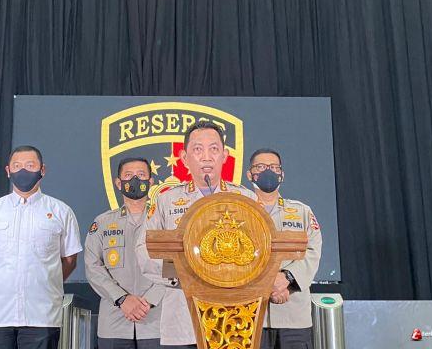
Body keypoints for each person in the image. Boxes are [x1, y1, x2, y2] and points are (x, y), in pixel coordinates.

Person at [136, 121, 256, 348]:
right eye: (198, 149)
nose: (206, 157)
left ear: (225, 156)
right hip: (183, 314)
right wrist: (181, 274)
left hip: (233, 317)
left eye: (214, 149)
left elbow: (261, 250)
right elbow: (144, 249)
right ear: (184, 157)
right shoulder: (166, 200)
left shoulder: (246, 199)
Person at [0, 145, 82, 349]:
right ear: (8, 171)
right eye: (17, 166)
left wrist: (45, 281)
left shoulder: (61, 211)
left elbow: (70, 260)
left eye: (30, 165)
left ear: (42, 170)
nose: (23, 171)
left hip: (41, 317)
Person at [85, 157, 164, 349]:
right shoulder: (103, 223)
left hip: (156, 321)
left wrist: (149, 301)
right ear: (119, 183)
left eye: (141, 175)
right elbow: (93, 267)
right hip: (114, 323)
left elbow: (175, 265)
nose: (135, 180)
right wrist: (122, 299)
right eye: (129, 175)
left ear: (150, 182)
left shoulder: (163, 221)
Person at [247, 148, 322, 349]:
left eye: (273, 167)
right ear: (250, 174)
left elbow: (313, 251)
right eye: (260, 167)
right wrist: (268, 284)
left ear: (282, 174)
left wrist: (287, 279)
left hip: (294, 315)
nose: (268, 171)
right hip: (252, 315)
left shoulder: (301, 211)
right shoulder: (240, 212)